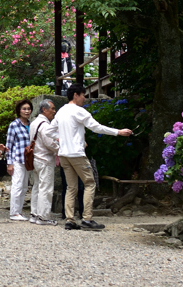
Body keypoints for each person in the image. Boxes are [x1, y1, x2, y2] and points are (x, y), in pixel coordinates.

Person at [53, 85, 133, 230]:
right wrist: (118, 132)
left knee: (71, 187)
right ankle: (87, 218)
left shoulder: (61, 111)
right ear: (76, 95)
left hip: (64, 154)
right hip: (77, 153)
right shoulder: (79, 111)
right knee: (90, 183)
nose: (85, 98)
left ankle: (69, 220)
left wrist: (59, 139)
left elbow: (49, 130)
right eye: (83, 95)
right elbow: (96, 127)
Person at [28, 99, 59, 225]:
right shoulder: (45, 125)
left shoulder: (34, 123)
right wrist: (60, 147)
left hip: (36, 158)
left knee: (37, 187)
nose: (54, 111)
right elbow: (50, 143)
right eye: (52, 108)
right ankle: (43, 217)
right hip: (45, 159)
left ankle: (34, 214)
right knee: (45, 188)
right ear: (44, 109)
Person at [5, 99, 33, 222]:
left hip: (28, 160)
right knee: (17, 185)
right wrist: (9, 163)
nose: (27, 111)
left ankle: (19, 211)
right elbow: (9, 145)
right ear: (19, 110)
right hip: (17, 159)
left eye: (28, 109)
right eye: (24, 109)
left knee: (24, 186)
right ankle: (14, 212)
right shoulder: (14, 125)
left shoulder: (31, 124)